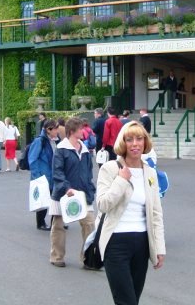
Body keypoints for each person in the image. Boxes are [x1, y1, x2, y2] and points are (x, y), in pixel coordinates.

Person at [96, 121, 166, 304]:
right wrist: (121, 181)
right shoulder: (110, 169)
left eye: (139, 139)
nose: (135, 143)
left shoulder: (150, 173)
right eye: (129, 139)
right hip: (116, 243)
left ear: (145, 142)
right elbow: (103, 204)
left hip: (141, 243)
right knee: (126, 301)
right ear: (123, 143)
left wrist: (159, 247)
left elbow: (156, 213)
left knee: (134, 299)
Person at [50, 117, 95, 268]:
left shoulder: (85, 150)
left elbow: (88, 172)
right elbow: (57, 172)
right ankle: (57, 256)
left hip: (82, 193)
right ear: (71, 132)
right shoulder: (61, 149)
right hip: (64, 194)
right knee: (58, 225)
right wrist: (66, 187)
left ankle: (86, 258)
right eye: (80, 129)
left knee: (89, 224)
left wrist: (90, 189)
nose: (84, 131)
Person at [29, 119, 59, 231]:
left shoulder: (54, 140)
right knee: (43, 198)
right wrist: (37, 176)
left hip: (51, 174)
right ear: (48, 129)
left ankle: (54, 222)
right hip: (43, 175)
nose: (57, 130)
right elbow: (32, 159)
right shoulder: (40, 141)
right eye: (55, 128)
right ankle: (41, 223)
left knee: (53, 198)